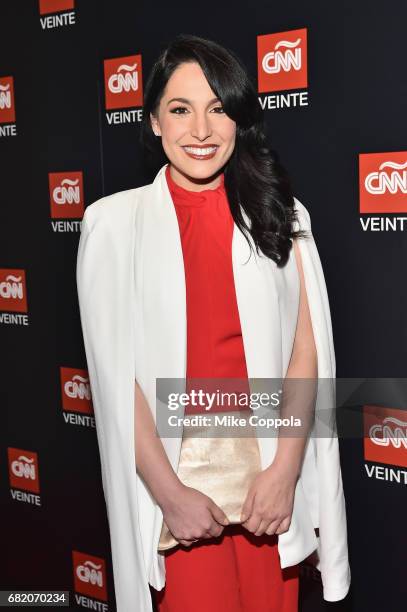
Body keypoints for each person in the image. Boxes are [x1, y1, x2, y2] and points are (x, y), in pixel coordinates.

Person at [76, 34, 351, 612]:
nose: (200, 130)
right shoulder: (113, 226)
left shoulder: (279, 212)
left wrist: (284, 472)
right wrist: (169, 494)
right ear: (153, 120)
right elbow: (114, 382)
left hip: (267, 491)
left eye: (218, 108)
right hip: (179, 495)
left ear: (239, 119)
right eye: (180, 110)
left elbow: (305, 351)